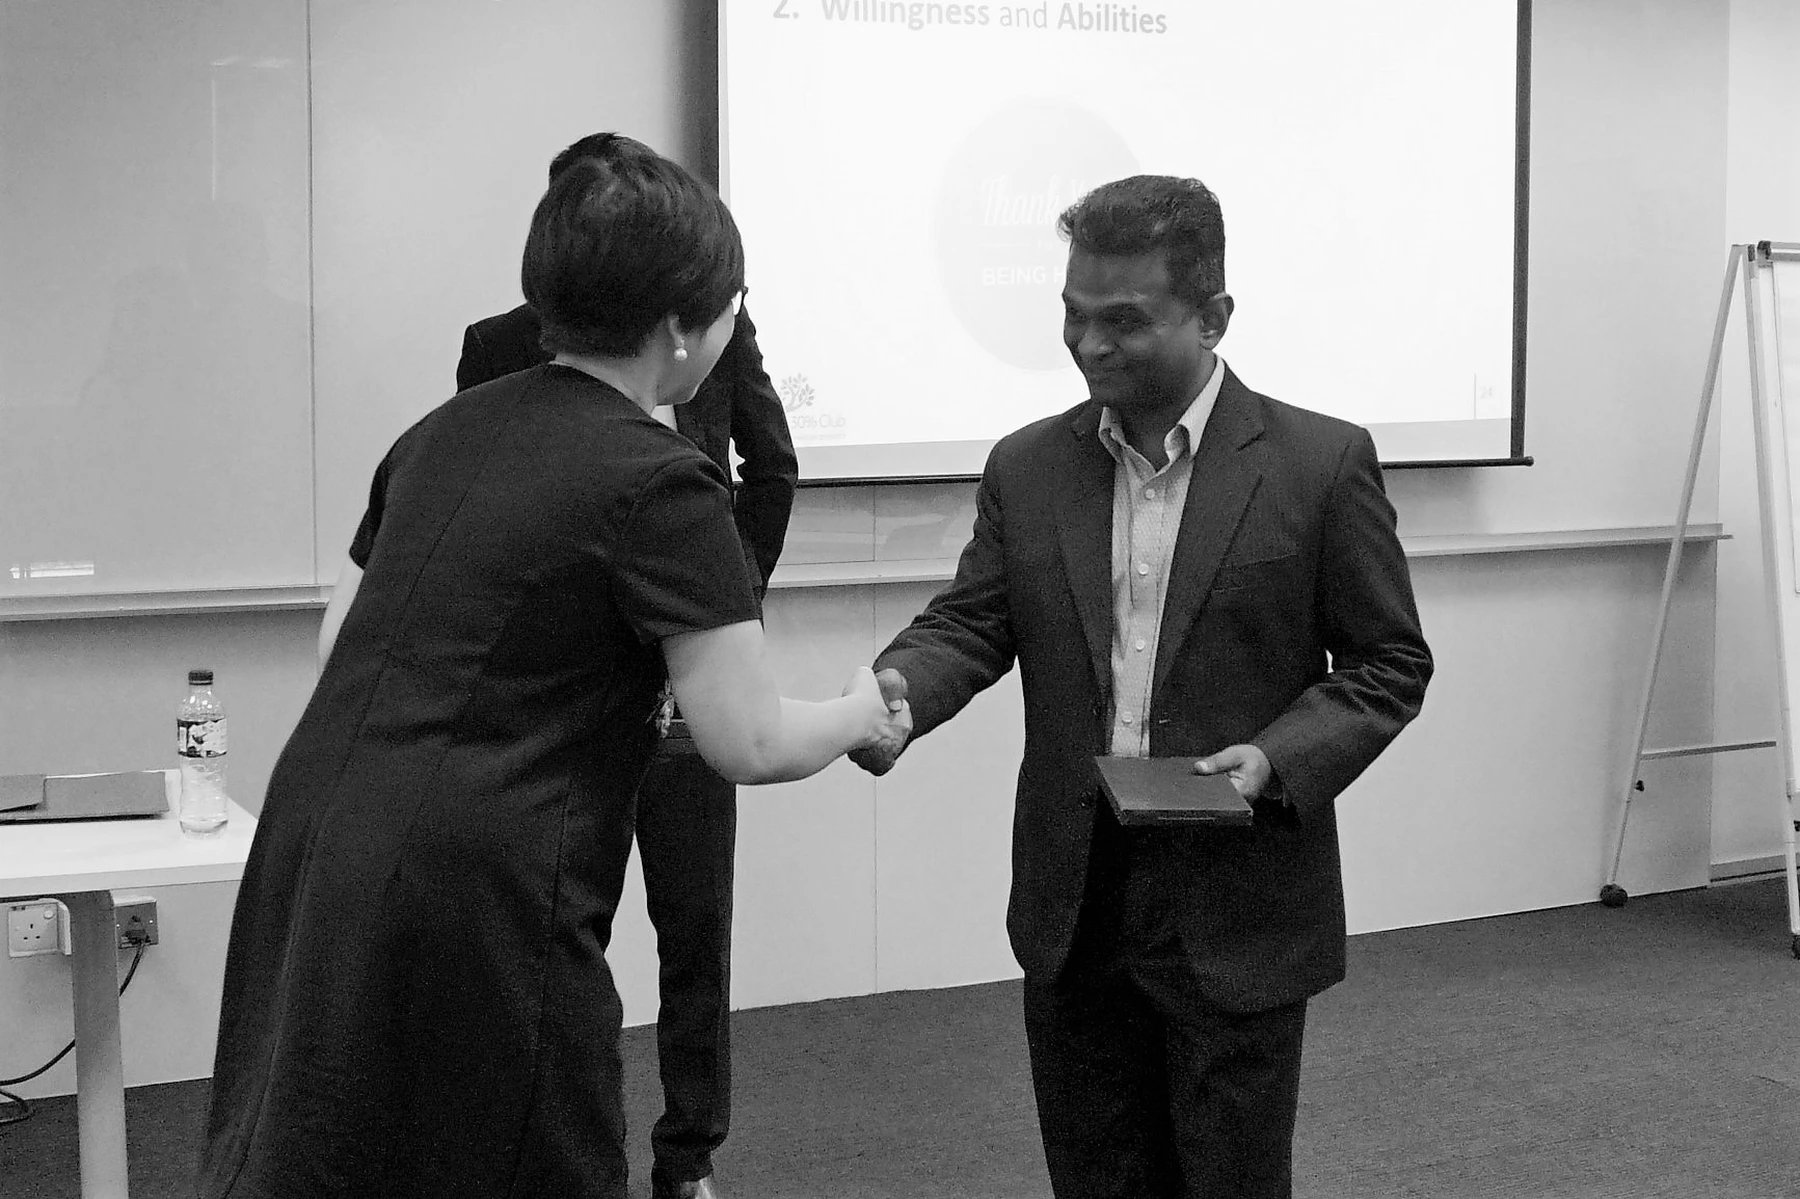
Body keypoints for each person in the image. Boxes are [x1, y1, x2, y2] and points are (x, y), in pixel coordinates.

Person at [197, 144, 908, 1199]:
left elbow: (336, 640)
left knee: (339, 1143)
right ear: (679, 328)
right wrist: (857, 709)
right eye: (730, 307)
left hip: (314, 835)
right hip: (480, 877)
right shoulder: (664, 481)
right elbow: (748, 738)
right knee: (527, 1146)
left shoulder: (438, 433)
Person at [853, 175, 1432, 1198]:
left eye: (1122, 320)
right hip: (1078, 899)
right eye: (1073, 315)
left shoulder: (1319, 462)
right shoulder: (1029, 465)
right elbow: (973, 620)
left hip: (1237, 898)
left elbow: (1389, 663)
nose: (1089, 344)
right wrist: (898, 691)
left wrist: (1276, 758)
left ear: (1213, 317)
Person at [455, 132, 796, 1199]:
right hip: (570, 701)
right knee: (565, 932)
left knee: (696, 924)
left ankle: (689, 1154)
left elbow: (772, 466)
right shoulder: (498, 348)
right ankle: (568, 1144)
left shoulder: (713, 326)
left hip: (691, 686)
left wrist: (721, 602)